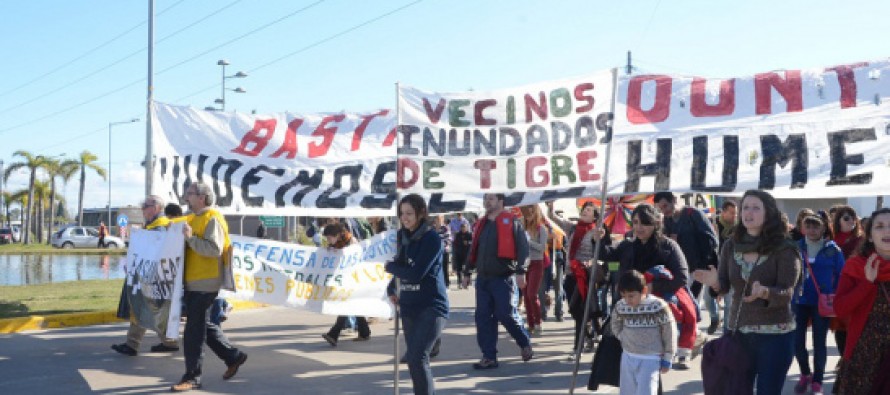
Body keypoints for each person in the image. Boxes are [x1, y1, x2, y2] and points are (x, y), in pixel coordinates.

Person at [693, 189, 801, 394]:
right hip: (738, 335)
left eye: (755, 208)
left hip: (775, 338)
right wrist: (715, 282)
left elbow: (787, 292)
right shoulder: (731, 245)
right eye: (745, 207)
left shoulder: (785, 248)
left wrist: (766, 292)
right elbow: (724, 285)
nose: (748, 212)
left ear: (768, 213)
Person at [596, 203, 700, 368]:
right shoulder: (627, 245)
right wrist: (600, 239)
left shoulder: (668, 246)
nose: (639, 227)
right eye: (635, 222)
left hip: (656, 310)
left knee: (651, 363)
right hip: (629, 309)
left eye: (645, 223)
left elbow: (681, 277)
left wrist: (653, 287)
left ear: (656, 224)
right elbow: (606, 254)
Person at [170, 181, 247, 392]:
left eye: (190, 194)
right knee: (201, 325)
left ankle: (192, 377)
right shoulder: (192, 217)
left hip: (206, 283)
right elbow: (171, 224)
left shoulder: (212, 218)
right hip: (193, 282)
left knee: (193, 332)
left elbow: (214, 249)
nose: (186, 198)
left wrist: (190, 238)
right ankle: (233, 356)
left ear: (202, 197)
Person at [386, 194, 449, 395]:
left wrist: (390, 267)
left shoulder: (431, 238)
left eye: (409, 213)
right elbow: (401, 268)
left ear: (421, 213)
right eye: (402, 214)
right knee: (414, 361)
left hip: (431, 307)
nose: (405, 218)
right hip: (409, 306)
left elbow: (415, 273)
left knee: (417, 358)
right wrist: (391, 288)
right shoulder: (403, 238)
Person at [462, 193, 532, 369]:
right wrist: (467, 272)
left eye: (491, 198)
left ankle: (524, 342)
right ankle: (489, 356)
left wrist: (521, 271)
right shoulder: (481, 223)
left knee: (505, 314)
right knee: (483, 318)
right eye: (485, 198)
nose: (487, 201)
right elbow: (473, 249)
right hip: (483, 279)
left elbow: (523, 248)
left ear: (501, 202)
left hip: (503, 278)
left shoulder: (512, 221)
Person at [111, 195, 180, 356]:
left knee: (143, 308)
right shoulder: (153, 226)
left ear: (155, 208)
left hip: (151, 276)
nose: (142, 209)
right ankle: (167, 342)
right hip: (147, 274)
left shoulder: (160, 227)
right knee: (145, 308)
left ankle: (133, 345)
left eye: (145, 206)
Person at [834, 208, 890, 394]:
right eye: (880, 226)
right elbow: (840, 309)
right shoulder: (856, 265)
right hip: (864, 354)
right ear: (871, 236)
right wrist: (867, 283)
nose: (887, 231)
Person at [791, 214, 844, 395]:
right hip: (799, 301)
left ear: (823, 229)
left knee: (819, 343)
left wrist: (834, 294)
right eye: (809, 226)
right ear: (803, 228)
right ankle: (805, 373)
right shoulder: (796, 248)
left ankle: (818, 381)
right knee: (797, 342)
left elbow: (842, 275)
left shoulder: (833, 250)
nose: (812, 230)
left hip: (822, 303)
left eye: (816, 227)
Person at [653, 192, 718, 337]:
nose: (664, 211)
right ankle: (690, 337)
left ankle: (691, 338)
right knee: (682, 305)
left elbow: (711, 240)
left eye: (665, 206)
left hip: (697, 269)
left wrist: (704, 263)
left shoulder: (693, 214)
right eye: (660, 208)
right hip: (679, 270)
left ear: (674, 200)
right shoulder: (667, 221)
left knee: (691, 304)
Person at [546, 201, 606, 357]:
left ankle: (577, 348)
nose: (585, 212)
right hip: (570, 274)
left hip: (585, 276)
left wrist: (590, 261)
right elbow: (553, 218)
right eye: (584, 209)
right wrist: (550, 208)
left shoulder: (595, 231)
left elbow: (601, 253)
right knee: (574, 310)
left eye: (589, 210)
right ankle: (591, 333)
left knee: (578, 310)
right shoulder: (572, 227)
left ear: (594, 216)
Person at [612, 270, 676, 395]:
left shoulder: (658, 306)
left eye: (631, 296)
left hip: (650, 359)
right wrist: (622, 337)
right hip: (628, 356)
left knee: (646, 392)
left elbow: (669, 331)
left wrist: (668, 356)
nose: (627, 300)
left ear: (644, 291)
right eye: (623, 295)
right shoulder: (621, 306)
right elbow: (615, 323)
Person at [320, 222, 371, 346]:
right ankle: (364, 332)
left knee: (345, 305)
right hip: (345, 279)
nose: (328, 240)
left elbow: (356, 258)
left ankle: (334, 334)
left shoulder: (351, 241)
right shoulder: (337, 244)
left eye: (329, 237)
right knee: (352, 305)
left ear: (337, 235)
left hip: (354, 278)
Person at [829, 205, 864, 371]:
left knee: (856, 325)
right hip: (838, 288)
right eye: (846, 217)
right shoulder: (832, 242)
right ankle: (844, 358)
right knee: (840, 327)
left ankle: (851, 359)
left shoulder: (863, 240)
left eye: (852, 216)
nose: (851, 220)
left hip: (858, 287)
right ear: (839, 221)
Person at [519, 204, 549, 336]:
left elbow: (542, 248)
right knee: (525, 295)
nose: (529, 217)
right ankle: (530, 324)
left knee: (532, 294)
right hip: (524, 264)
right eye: (527, 214)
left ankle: (538, 322)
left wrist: (528, 241)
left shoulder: (541, 229)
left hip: (537, 263)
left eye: (531, 213)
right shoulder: (521, 228)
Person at [452, 222, 472, 288]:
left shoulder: (469, 234)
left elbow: (473, 242)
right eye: (462, 227)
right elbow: (454, 243)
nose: (463, 229)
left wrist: (468, 242)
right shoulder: (458, 235)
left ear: (466, 228)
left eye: (464, 227)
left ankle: (467, 282)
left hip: (467, 254)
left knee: (467, 269)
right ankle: (459, 282)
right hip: (459, 254)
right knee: (459, 269)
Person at [435, 215, 452, 288]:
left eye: (439, 219)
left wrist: (440, 245)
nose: (437, 220)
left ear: (442, 219)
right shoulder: (434, 229)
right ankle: (440, 283)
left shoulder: (445, 228)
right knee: (438, 268)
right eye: (436, 219)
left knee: (445, 268)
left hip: (444, 251)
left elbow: (448, 240)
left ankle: (447, 283)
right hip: (436, 252)